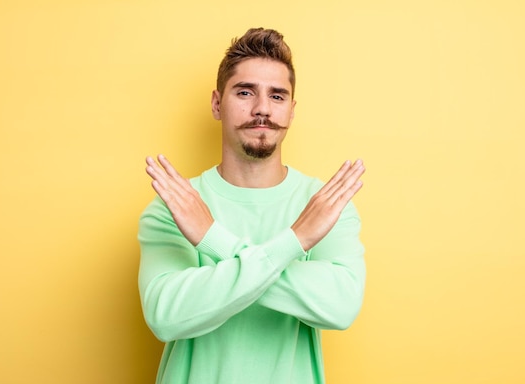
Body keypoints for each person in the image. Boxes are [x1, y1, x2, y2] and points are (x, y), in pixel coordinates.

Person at [138, 27, 366, 384]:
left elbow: (340, 307)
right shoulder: (176, 203)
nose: (262, 109)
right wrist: (295, 242)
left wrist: (212, 239)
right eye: (245, 92)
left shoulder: (325, 205)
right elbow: (166, 316)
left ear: (291, 110)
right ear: (217, 103)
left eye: (277, 97)